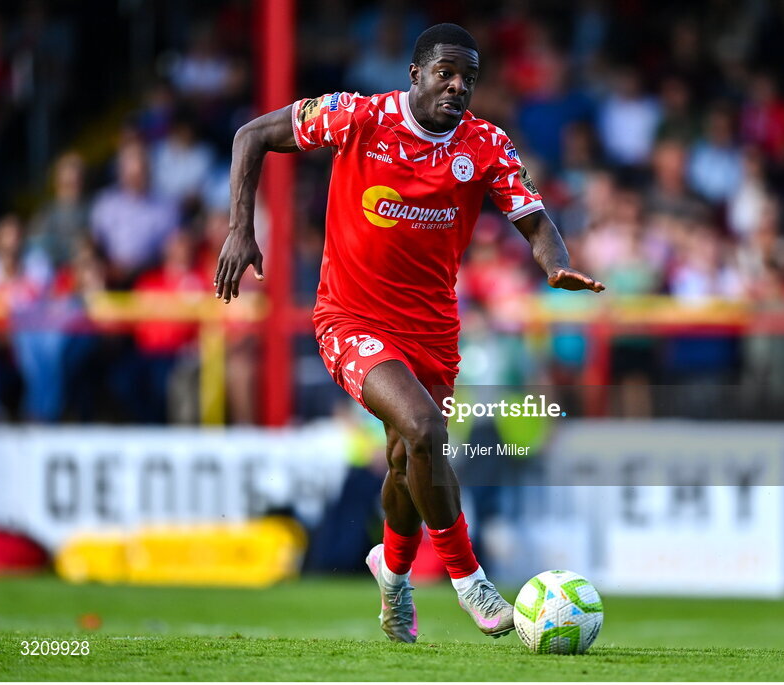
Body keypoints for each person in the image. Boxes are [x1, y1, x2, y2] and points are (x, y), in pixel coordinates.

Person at [214, 24, 604, 643]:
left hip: (433, 332)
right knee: (425, 430)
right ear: (416, 74)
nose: (457, 86)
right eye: (446, 73)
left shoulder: (487, 145)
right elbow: (250, 136)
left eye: (468, 79)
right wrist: (241, 227)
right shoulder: (355, 117)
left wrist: (554, 262)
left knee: (405, 460)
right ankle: (469, 577)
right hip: (350, 319)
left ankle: (392, 580)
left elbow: (533, 217)